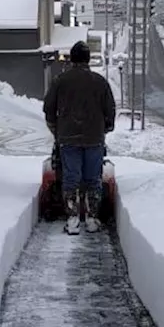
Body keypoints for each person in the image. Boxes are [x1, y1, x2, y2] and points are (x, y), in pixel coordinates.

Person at [43, 40, 116, 234]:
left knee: (71, 177)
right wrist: (105, 128)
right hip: (94, 139)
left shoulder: (60, 81)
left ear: (72, 59)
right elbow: (110, 111)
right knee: (93, 178)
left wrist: (56, 130)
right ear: (88, 60)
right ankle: (92, 219)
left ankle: (73, 219)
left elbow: (48, 109)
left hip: (68, 138)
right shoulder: (100, 82)